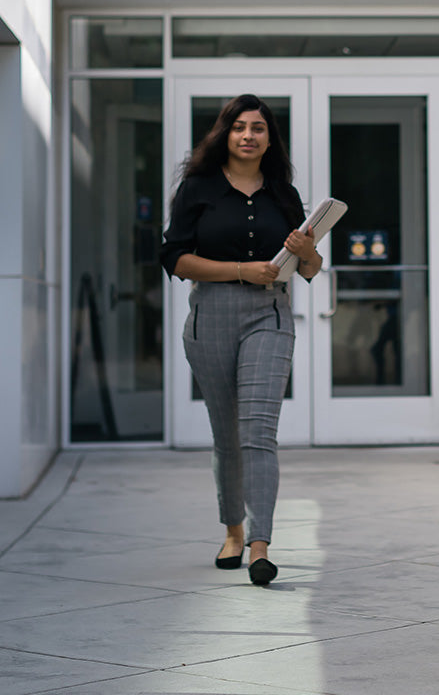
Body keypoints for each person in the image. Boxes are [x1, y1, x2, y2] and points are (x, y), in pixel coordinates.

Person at [161, 94, 322, 586]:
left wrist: (307, 250)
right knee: (227, 435)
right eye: (239, 127)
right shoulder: (197, 189)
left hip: (268, 315)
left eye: (258, 128)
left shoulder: (283, 194)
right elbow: (175, 258)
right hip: (210, 314)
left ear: (270, 139)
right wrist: (239, 270)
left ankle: (260, 546)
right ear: (225, 134)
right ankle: (233, 531)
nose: (248, 135)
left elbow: (310, 269)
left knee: (258, 431)